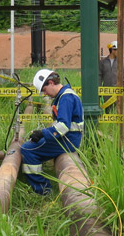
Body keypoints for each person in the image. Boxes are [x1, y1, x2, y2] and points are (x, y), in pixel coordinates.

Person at [20, 68, 84, 196]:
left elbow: (63, 126)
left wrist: (43, 133)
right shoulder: (64, 95)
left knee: (27, 149)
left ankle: (43, 190)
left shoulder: (66, 98)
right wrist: (44, 134)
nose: (45, 94)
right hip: (69, 138)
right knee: (33, 146)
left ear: (51, 83)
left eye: (44, 90)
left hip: (68, 140)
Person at [98, 40, 124, 111]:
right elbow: (99, 76)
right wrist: (99, 88)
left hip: (117, 90)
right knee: (107, 110)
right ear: (112, 50)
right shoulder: (103, 62)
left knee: (117, 110)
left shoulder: (120, 62)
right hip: (106, 91)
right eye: (117, 50)